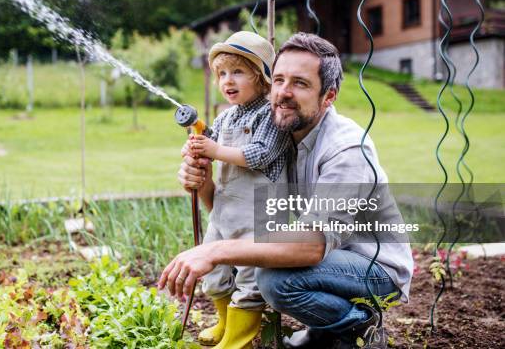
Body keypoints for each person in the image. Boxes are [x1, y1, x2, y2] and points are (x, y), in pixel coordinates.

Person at [159, 33, 414, 349]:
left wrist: (215, 251)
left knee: (275, 280)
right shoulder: (280, 139)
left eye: (300, 83)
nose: (283, 93)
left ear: (328, 96)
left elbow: (309, 248)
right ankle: (327, 328)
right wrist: (203, 181)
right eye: (278, 80)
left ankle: (358, 326)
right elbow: (226, 213)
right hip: (331, 254)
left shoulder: (346, 149)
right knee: (270, 266)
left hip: (374, 266)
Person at [184, 30, 291, 348]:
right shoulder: (226, 115)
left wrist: (213, 150)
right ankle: (224, 322)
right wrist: (194, 150)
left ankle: (238, 340)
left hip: (259, 213)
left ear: (261, 77)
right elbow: (208, 147)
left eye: (238, 72)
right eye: (222, 74)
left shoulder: (271, 115)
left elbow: (259, 154)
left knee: (249, 278)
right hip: (225, 208)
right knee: (213, 272)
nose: (227, 81)